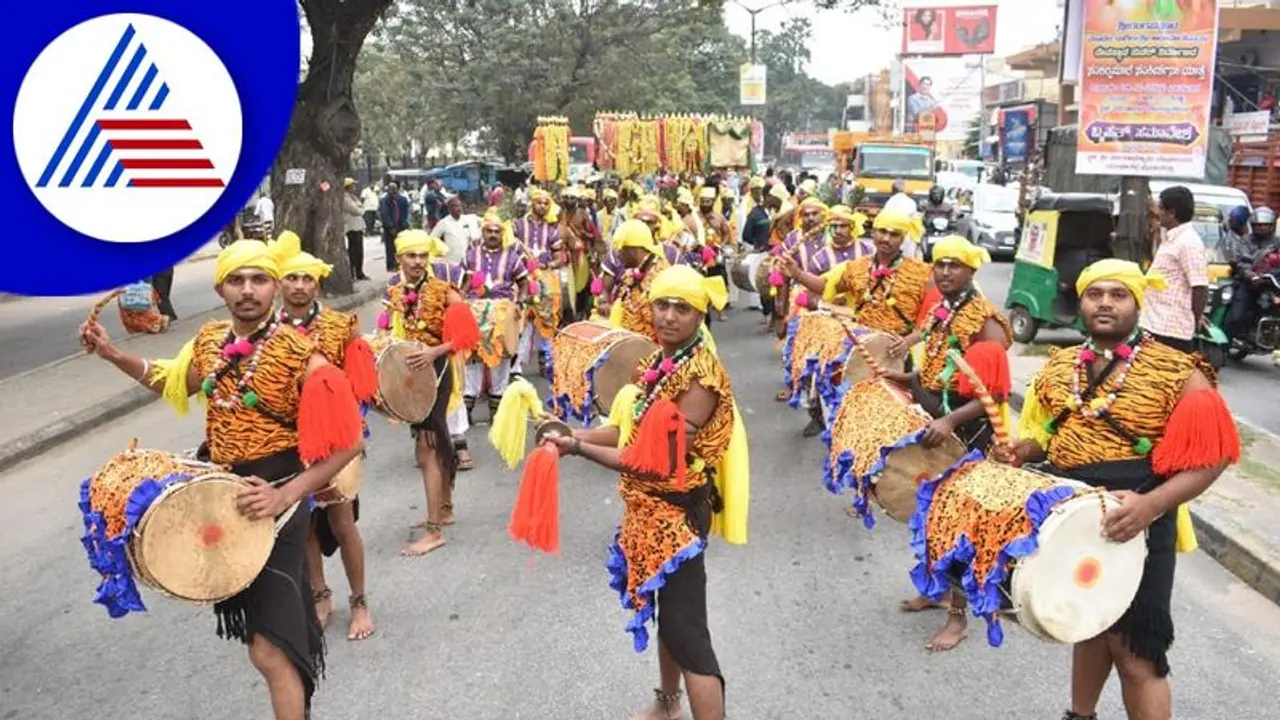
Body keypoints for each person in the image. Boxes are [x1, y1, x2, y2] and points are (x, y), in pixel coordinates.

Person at [78, 236, 365, 720]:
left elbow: (350, 442)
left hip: (278, 499)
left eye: (258, 279)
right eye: (236, 280)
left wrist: (287, 494)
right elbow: (171, 379)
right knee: (275, 637)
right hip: (228, 497)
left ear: (274, 288)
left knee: (269, 648)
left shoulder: (302, 355)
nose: (247, 290)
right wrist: (112, 354)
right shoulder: (211, 342)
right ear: (220, 288)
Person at [996, 259, 1240, 720]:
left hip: (1139, 521)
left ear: (1137, 302)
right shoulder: (1059, 365)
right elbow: (1044, 436)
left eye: (1118, 294)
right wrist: (1020, 452)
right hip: (1071, 519)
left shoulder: (1179, 370)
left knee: (1136, 655)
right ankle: (1080, 715)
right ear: (1081, 302)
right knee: (1085, 624)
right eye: (1095, 294)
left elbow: (1215, 455)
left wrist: (1151, 505)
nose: (1105, 302)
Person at [544, 264, 748, 720]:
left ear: (700, 317)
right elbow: (626, 432)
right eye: (662, 305)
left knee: (689, 635)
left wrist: (576, 448)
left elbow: (653, 460)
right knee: (668, 620)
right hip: (646, 512)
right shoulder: (659, 361)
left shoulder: (700, 376)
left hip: (677, 516)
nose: (670, 316)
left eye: (683, 308)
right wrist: (569, 433)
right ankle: (668, 704)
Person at [881, 235, 1012, 651]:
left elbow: (992, 394)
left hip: (968, 429)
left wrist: (950, 419)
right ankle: (936, 590)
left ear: (973, 270)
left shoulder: (984, 320)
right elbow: (937, 365)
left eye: (955, 265)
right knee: (929, 512)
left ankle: (959, 617)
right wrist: (912, 382)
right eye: (940, 264)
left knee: (958, 523)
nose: (945, 271)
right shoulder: (943, 308)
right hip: (937, 415)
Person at [275, 242, 378, 642]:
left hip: (337, 442)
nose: (300, 286)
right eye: (292, 278)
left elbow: (359, 388)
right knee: (305, 527)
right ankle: (320, 594)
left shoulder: (340, 325)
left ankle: (359, 601)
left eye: (307, 279)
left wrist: (347, 434)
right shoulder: (268, 331)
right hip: (288, 442)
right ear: (280, 284)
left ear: (317, 285)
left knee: (342, 521)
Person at [378, 229, 480, 556]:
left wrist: (434, 352)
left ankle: (434, 531)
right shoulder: (393, 290)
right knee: (437, 441)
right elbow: (384, 324)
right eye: (412, 256)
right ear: (400, 259)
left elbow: (467, 334)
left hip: (436, 373)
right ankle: (445, 509)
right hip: (410, 375)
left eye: (423, 256)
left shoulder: (443, 291)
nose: (418, 262)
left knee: (427, 447)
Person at [461, 213, 530, 423]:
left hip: (503, 312)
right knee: (472, 357)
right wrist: (460, 301)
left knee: (501, 358)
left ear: (502, 234)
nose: (493, 235)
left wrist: (520, 302)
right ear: (483, 232)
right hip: (474, 310)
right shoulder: (471, 255)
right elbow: (462, 284)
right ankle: (467, 408)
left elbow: (524, 283)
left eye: (497, 231)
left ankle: (496, 410)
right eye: (489, 231)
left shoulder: (512, 257)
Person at [1139, 186, 1208, 353]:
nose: (1158, 213)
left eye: (1161, 208)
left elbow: (1199, 286)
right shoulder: (1170, 237)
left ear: (1171, 213)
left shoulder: (1188, 242)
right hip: (1153, 323)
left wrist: (1197, 317)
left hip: (1171, 330)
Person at [601, 219, 670, 341]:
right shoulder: (634, 273)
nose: (619, 254)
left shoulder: (659, 276)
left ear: (634, 250)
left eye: (622, 249)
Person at [1224, 206, 1280, 343]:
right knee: (1236, 316)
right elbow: (1243, 262)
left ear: (1272, 226)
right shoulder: (1246, 241)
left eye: (1266, 225)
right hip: (1250, 284)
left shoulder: (1278, 242)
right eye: (1259, 225)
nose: (1262, 228)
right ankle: (1225, 344)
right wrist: (1250, 275)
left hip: (1272, 284)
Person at [430, 195, 476, 264]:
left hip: (466, 261)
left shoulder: (467, 220)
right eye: (456, 206)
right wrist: (440, 251)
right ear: (449, 209)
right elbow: (432, 239)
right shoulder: (443, 223)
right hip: (451, 260)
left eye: (460, 206)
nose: (459, 208)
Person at [379, 183, 410, 272]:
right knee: (390, 247)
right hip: (390, 227)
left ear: (398, 189)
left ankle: (400, 264)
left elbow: (405, 213)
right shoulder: (385, 200)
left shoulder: (403, 199)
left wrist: (405, 225)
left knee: (401, 246)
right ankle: (391, 265)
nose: (392, 191)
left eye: (394, 189)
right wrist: (390, 226)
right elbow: (385, 214)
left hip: (401, 226)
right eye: (390, 189)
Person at [342, 179, 369, 280]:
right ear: (348, 187)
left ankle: (359, 272)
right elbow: (358, 211)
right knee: (353, 251)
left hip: (358, 226)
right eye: (353, 185)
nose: (355, 187)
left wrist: (361, 208)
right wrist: (361, 208)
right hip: (351, 227)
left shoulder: (353, 197)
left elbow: (361, 208)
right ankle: (352, 273)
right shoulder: (345, 198)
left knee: (359, 251)